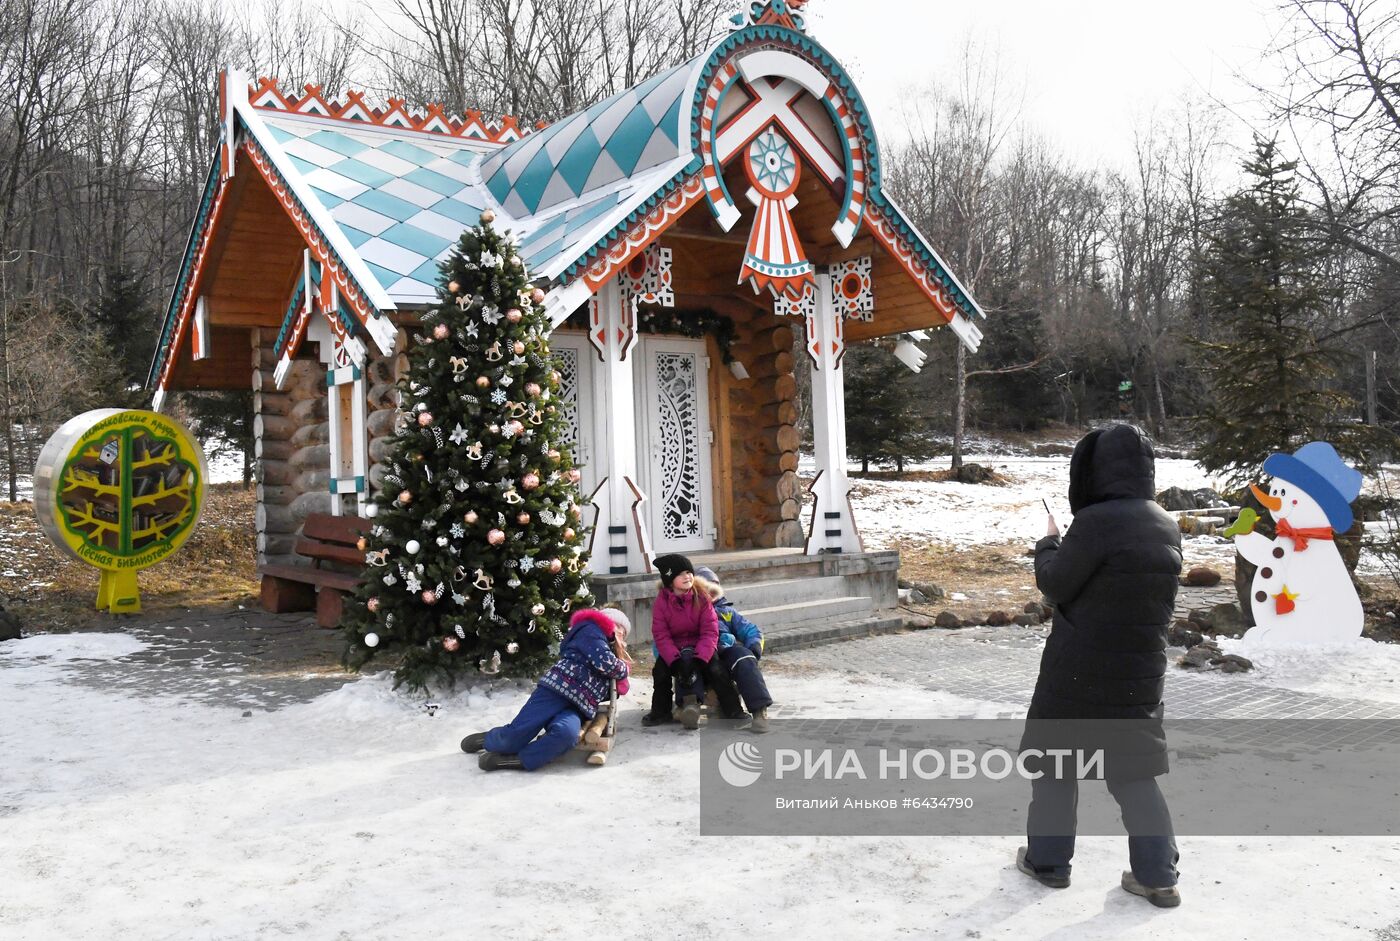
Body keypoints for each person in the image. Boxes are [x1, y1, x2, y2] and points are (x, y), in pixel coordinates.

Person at [1017, 423, 1184, 908]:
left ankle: (1048, 862)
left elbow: (1056, 585)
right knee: (1134, 774)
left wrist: (1048, 542)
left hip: (1078, 672)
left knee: (1054, 765)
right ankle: (1158, 876)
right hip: (1139, 677)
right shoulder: (1165, 523)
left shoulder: (1094, 524)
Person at [461, 607, 631, 771]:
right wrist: (623, 669)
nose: (621, 633)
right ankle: (488, 740)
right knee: (515, 737)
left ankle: (515, 760)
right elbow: (608, 664)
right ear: (607, 623)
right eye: (618, 626)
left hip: (577, 706)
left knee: (567, 734)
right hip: (555, 691)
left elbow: (618, 688)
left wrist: (620, 676)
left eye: (624, 632)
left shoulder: (610, 652)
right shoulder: (590, 630)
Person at [641, 553, 732, 730]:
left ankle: (732, 709)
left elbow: (710, 630)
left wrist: (700, 657)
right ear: (669, 579)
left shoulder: (702, 597)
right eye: (680, 574)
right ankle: (661, 711)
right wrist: (673, 660)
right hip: (675, 647)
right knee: (660, 671)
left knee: (716, 669)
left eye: (689, 572)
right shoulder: (661, 602)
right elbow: (661, 634)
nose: (687, 576)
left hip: (701, 645)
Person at [694, 566, 774, 733]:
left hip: (726, 652)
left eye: (713, 589)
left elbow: (751, 630)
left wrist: (754, 647)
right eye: (704, 589)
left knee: (743, 656)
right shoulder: (691, 611)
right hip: (703, 655)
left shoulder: (727, 612)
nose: (709, 594)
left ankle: (759, 711)